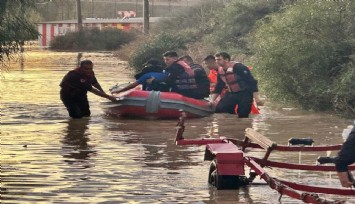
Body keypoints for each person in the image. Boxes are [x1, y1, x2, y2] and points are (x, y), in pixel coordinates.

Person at [210, 52, 262, 118]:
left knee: (243, 115)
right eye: (216, 60)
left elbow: (252, 82)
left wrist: (257, 98)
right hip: (231, 93)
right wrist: (212, 100)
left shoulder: (239, 67)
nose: (217, 62)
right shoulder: (220, 71)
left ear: (226, 60)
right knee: (219, 110)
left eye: (219, 60)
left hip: (245, 94)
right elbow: (219, 86)